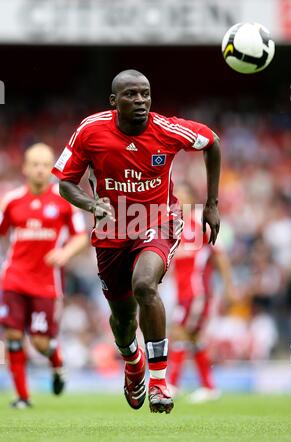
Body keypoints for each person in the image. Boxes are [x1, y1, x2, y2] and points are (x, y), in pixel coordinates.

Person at [52, 69, 221, 414]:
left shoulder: (167, 129)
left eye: (145, 94)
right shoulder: (90, 130)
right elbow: (65, 183)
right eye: (131, 95)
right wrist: (90, 203)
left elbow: (212, 142)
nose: (140, 101)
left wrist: (212, 205)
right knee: (123, 322)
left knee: (145, 285)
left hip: (157, 221)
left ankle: (159, 381)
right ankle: (133, 361)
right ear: (114, 102)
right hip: (112, 231)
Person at [0, 143, 88, 409]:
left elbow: (81, 236)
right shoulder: (12, 200)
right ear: (25, 168)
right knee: (13, 336)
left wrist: (64, 254)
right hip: (14, 278)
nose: (39, 169)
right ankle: (23, 397)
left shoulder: (63, 201)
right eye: (34, 164)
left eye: (44, 164)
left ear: (51, 168)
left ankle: (57, 363)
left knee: (40, 342)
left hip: (46, 283)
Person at [168, 183, 235, 403]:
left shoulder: (201, 220)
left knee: (179, 332)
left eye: (184, 196)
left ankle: (173, 384)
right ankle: (208, 387)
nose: (179, 200)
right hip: (182, 291)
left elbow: (220, 255)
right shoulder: (176, 224)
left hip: (197, 291)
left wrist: (229, 287)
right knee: (194, 337)